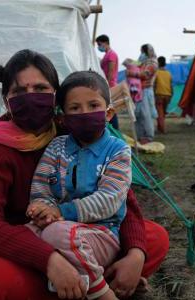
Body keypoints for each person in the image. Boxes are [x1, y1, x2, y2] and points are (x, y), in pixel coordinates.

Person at [0, 49, 170, 300]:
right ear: (6, 101)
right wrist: (50, 261)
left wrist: (135, 255)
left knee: (152, 238)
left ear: (55, 97)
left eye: (40, 89)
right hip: (20, 246)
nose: (31, 97)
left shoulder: (71, 131)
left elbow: (123, 198)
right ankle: (95, 284)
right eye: (19, 92)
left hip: (85, 234)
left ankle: (85, 282)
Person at [27, 71, 131, 300]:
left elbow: (109, 199)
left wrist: (61, 212)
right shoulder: (56, 148)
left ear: (109, 112)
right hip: (59, 227)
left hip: (102, 233)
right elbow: (41, 188)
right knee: (25, 235)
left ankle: (104, 294)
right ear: (63, 118)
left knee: (56, 234)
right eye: (74, 108)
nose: (84, 112)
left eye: (93, 104)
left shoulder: (117, 151)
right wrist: (41, 208)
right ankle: (81, 283)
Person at [127, 44, 158, 144]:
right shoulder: (143, 62)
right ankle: (140, 135)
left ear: (147, 52)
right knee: (138, 114)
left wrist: (131, 73)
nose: (141, 54)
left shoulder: (152, 63)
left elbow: (145, 75)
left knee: (145, 114)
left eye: (142, 52)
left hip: (146, 90)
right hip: (139, 90)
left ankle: (148, 136)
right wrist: (128, 62)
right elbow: (134, 64)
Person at [96, 34, 120, 130]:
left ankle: (115, 130)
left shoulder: (111, 54)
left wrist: (106, 85)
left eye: (99, 44)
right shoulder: (106, 55)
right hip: (107, 85)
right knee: (108, 109)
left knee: (110, 110)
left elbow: (110, 72)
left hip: (110, 85)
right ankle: (112, 130)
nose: (98, 46)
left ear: (105, 42)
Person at [154, 56, 174, 134]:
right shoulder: (169, 73)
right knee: (163, 113)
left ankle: (163, 129)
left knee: (160, 114)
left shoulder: (156, 73)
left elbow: (154, 85)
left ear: (158, 63)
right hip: (168, 95)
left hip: (159, 95)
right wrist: (171, 95)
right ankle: (160, 128)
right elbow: (171, 86)